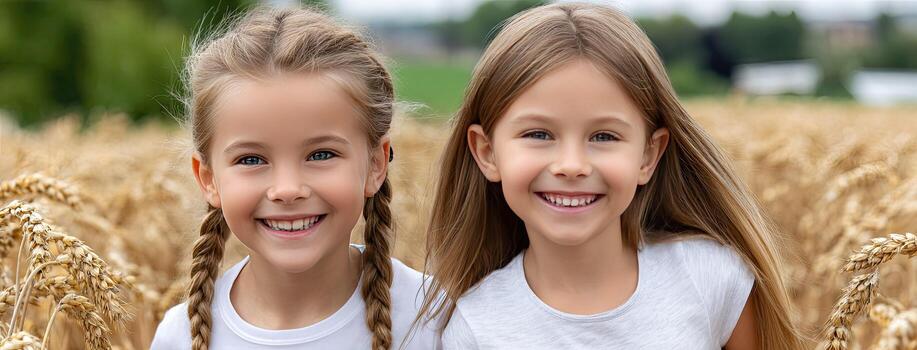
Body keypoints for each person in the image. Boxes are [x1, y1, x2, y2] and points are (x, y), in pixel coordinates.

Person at [417, 3, 805, 349]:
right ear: (487, 152)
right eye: (538, 134)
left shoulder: (711, 279)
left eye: (604, 136)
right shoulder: (475, 327)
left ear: (648, 154)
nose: (572, 165)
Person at [151, 6, 439, 350]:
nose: (287, 190)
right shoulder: (179, 337)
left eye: (320, 155)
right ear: (208, 179)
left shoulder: (434, 320)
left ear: (376, 164)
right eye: (252, 159)